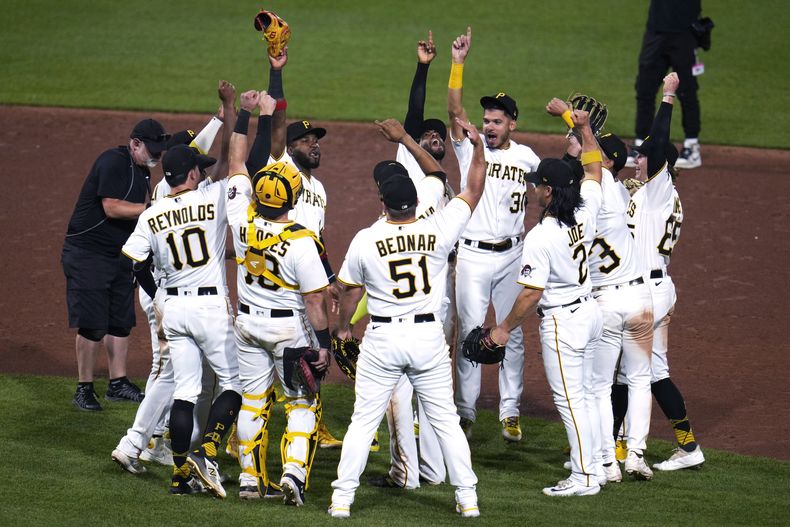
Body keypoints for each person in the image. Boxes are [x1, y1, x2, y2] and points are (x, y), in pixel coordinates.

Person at [328, 116, 486, 519]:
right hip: (428, 340)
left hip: (382, 341)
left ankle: (342, 500)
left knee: (362, 423)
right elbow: (468, 185)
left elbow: (347, 290)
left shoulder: (367, 238)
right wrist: (477, 149)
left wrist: (344, 327)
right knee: (446, 421)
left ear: (383, 203)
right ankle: (467, 498)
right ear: (416, 202)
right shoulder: (438, 229)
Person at [111, 81, 237, 474]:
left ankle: (141, 443)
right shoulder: (211, 197)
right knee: (224, 381)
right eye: (200, 168)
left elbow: (133, 262)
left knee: (176, 380)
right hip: (206, 305)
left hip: (173, 302)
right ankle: (191, 453)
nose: (205, 172)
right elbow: (237, 159)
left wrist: (159, 296)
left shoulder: (155, 209)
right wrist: (235, 110)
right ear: (192, 173)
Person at [487, 109, 604, 497]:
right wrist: (584, 128)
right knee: (585, 395)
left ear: (550, 191)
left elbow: (530, 293)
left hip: (564, 322)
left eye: (538, 184)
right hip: (590, 313)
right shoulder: (584, 212)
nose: (533, 188)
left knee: (570, 402)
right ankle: (597, 463)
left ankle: (585, 476)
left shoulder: (541, 236)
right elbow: (595, 171)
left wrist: (503, 328)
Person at [225, 89, 332, 505]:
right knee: (300, 404)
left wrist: (246, 113)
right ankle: (292, 477)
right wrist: (322, 346)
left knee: (252, 402)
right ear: (291, 196)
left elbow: (236, 162)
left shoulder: (242, 220)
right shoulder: (302, 241)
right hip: (289, 329)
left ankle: (249, 481)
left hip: (247, 325)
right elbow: (314, 303)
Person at [549, 98, 656, 483]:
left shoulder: (587, 196)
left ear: (606, 162)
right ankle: (637, 455)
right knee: (640, 379)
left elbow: (585, 158)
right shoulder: (618, 192)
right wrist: (577, 125)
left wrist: (576, 122)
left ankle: (606, 462)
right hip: (640, 299)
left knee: (597, 386)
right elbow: (589, 156)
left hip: (606, 302)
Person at [446, 26, 540, 441]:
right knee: (469, 332)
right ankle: (465, 412)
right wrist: (457, 64)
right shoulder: (469, 147)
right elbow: (453, 111)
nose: (489, 126)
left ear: (512, 124)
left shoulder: (527, 157)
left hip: (511, 256)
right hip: (472, 256)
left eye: (497, 121)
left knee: (511, 331)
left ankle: (509, 411)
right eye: (486, 120)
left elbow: (555, 188)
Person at [246, 46, 343, 449]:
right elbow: (277, 125)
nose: (314, 145)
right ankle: (248, 434)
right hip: (275, 280)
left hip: (304, 279)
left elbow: (315, 241)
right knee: (271, 365)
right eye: (305, 141)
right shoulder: (280, 168)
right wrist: (276, 72)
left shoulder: (317, 188)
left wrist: (330, 279)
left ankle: (314, 427)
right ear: (289, 146)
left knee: (305, 362)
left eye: (316, 140)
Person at [623, 72, 705, 471]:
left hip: (646, 294)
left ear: (660, 167)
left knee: (630, 374)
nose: (637, 159)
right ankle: (689, 447)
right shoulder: (659, 195)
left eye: (642, 157)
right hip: (659, 288)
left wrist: (668, 97)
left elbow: (656, 145)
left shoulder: (659, 191)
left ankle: (620, 451)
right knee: (654, 374)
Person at [62, 118, 169, 411]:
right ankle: (83, 388)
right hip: (88, 254)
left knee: (120, 321)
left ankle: (117, 383)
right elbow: (111, 207)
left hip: (118, 254)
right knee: (93, 323)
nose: (157, 156)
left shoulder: (142, 171)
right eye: (152, 149)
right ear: (135, 144)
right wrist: (151, 209)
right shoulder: (112, 161)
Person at [629, 0, 704, 169]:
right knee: (644, 89)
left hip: (684, 32)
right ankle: (642, 144)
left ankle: (692, 146)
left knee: (687, 91)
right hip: (656, 31)